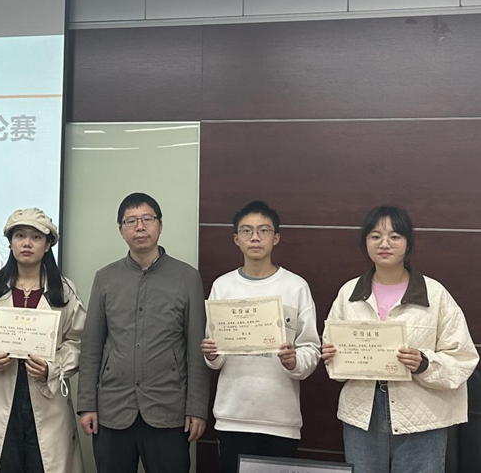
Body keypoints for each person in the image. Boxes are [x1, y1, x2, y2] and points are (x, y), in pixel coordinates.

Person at [322, 206, 478, 473]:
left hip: (422, 416)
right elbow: (333, 352)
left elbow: (463, 357)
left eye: (395, 236)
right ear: (365, 242)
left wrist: (424, 364)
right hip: (362, 415)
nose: (384, 244)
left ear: (408, 242)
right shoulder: (348, 293)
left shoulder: (435, 293)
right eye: (375, 236)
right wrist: (332, 357)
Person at [77, 192, 209, 473]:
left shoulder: (187, 278)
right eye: (131, 221)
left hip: (168, 409)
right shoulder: (105, 278)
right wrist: (87, 404)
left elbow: (196, 349)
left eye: (147, 219)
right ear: (121, 230)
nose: (140, 227)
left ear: (160, 225)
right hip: (113, 409)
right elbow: (91, 346)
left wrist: (196, 408)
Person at [200, 201, 320, 473]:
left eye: (263, 230)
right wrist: (211, 355)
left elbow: (312, 348)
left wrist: (294, 362)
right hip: (232, 416)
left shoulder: (296, 286)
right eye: (247, 231)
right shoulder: (222, 286)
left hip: (281, 420)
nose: (255, 237)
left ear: (275, 238)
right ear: (236, 239)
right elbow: (215, 355)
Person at [0, 208, 85, 473]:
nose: (27, 243)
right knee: (2, 463)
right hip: (0, 391)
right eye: (20, 236)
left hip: (45, 394)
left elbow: (77, 341)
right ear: (10, 242)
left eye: (36, 237)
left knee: (45, 464)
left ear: (48, 244)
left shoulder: (63, 291)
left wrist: (53, 368)